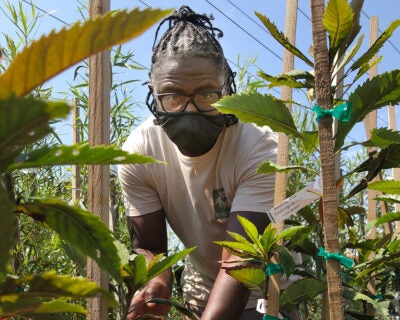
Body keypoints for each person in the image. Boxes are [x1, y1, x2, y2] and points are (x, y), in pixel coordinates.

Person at [118, 6, 278, 319]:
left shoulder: (258, 145)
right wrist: (158, 278)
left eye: (207, 96)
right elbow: (149, 246)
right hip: (201, 287)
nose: (190, 111)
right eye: (173, 97)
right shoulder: (140, 152)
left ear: (227, 89)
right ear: (153, 95)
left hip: (266, 289)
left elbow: (241, 262)